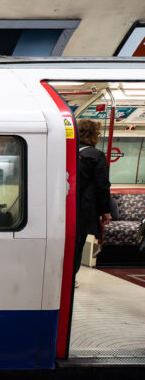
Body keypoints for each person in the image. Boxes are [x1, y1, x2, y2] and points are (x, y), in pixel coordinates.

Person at [74, 119, 112, 281]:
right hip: (84, 209)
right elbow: (102, 186)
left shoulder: (67, 152)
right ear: (94, 135)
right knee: (77, 245)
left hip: (63, 207)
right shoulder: (96, 156)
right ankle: (71, 279)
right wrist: (106, 210)